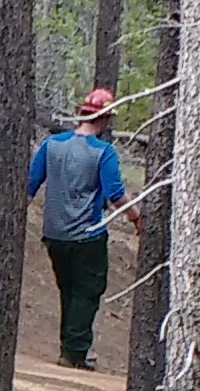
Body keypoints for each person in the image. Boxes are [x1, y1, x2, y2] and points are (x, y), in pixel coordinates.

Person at [28, 86, 133, 370]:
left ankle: (70, 346)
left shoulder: (51, 145)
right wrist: (137, 217)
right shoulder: (103, 152)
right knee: (87, 291)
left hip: (54, 234)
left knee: (68, 289)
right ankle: (74, 353)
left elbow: (29, 184)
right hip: (88, 235)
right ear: (104, 119)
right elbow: (115, 193)